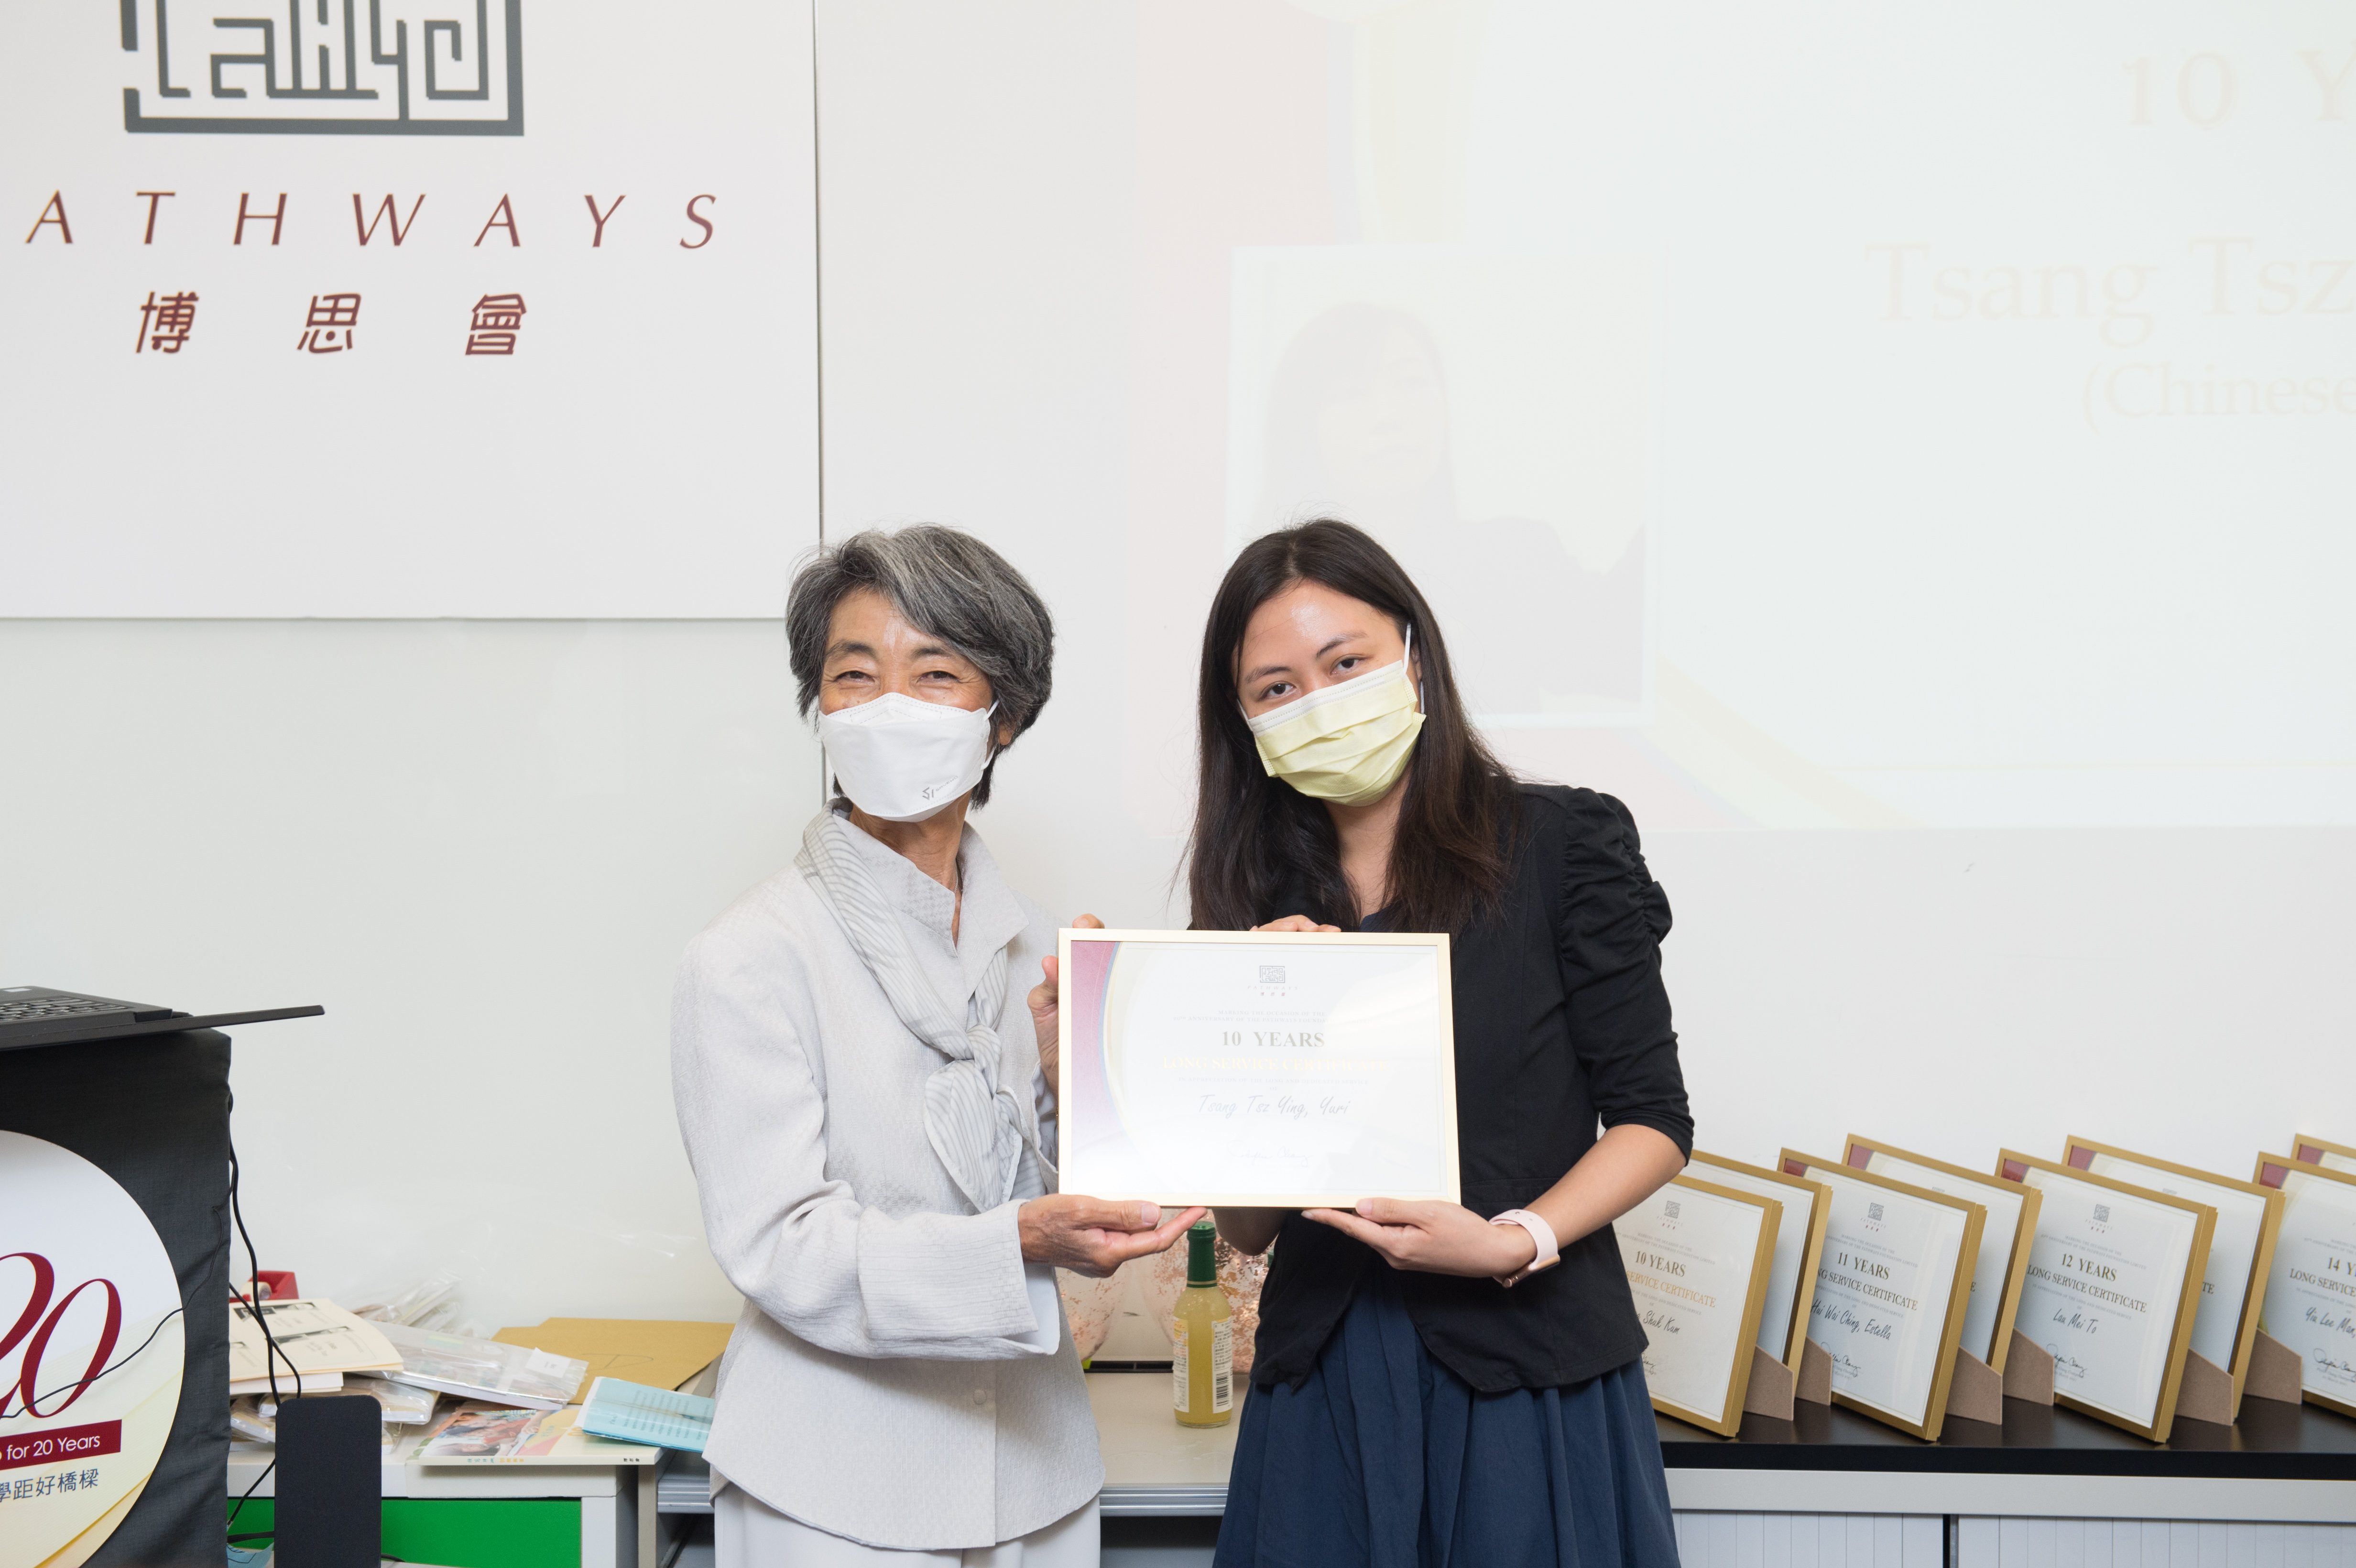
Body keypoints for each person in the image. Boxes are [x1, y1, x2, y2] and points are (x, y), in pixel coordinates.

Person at [672, 525, 1204, 1567]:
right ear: (820, 707)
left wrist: (1077, 1087)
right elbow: (784, 1246)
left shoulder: (1043, 950)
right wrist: (1017, 1245)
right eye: (854, 675)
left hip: (1035, 1468)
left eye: (933, 674)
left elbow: (1086, 1197)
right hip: (831, 1485)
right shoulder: (747, 956)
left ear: (1002, 716)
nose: (889, 707)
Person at [1193, 519, 1693, 1567]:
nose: (1318, 702)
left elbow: (1653, 1121)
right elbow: (1247, 1226)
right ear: (1244, 719)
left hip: (1529, 1371)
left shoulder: (1562, 844)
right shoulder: (1249, 906)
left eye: (1346, 664)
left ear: (1414, 657)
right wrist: (1265, 1037)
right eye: (1277, 687)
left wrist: (1514, 1240)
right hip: (1324, 1372)